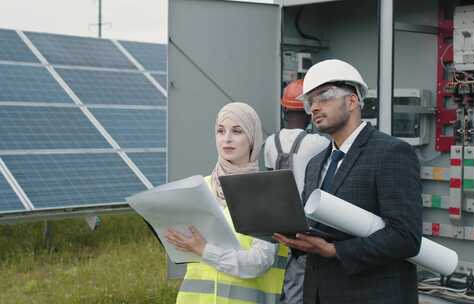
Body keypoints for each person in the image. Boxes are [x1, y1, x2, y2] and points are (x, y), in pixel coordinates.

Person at [273, 59, 422, 304]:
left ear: (352, 100)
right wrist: (287, 233)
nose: (314, 109)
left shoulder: (391, 153)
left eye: (324, 97)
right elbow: (308, 226)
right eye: (310, 102)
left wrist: (334, 251)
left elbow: (405, 237)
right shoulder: (315, 163)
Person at [166, 102, 288, 304]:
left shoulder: (266, 193)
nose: (227, 139)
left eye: (237, 131)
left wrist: (205, 251)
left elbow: (258, 263)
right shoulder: (199, 188)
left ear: (252, 138)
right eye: (220, 131)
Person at [264, 80, 329, 304]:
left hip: (277, 221)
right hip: (305, 224)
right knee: (299, 280)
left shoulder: (270, 142)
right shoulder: (318, 143)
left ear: (284, 110)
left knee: (281, 276)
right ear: (309, 110)